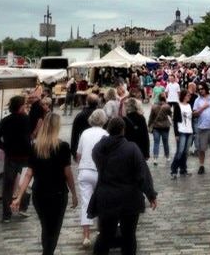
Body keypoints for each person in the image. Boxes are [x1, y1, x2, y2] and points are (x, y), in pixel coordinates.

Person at [88, 116, 158, 255]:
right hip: (129, 197)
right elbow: (142, 174)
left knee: (105, 236)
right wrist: (151, 194)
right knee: (129, 236)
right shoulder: (132, 148)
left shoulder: (98, 148)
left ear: (108, 129)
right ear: (123, 130)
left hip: (106, 196)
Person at [11, 112, 77, 255]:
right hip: (58, 193)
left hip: (39, 194)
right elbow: (68, 174)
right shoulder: (63, 147)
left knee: (46, 226)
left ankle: (47, 251)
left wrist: (19, 196)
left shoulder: (36, 147)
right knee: (54, 229)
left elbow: (29, 174)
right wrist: (74, 193)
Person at [0, 95, 32, 222]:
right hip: (26, 157)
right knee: (25, 184)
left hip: (10, 157)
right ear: (21, 106)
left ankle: (6, 215)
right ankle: (23, 207)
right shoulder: (26, 119)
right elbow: (31, 136)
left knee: (8, 187)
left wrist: (5, 147)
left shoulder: (5, 120)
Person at [75, 109, 109, 249]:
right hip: (100, 172)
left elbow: (78, 155)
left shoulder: (84, 133)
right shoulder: (106, 134)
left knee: (85, 203)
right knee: (102, 202)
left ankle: (86, 236)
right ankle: (102, 231)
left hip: (85, 171)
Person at [170, 88, 194, 178]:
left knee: (186, 152)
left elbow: (191, 118)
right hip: (181, 131)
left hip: (189, 131)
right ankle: (173, 170)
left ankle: (183, 170)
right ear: (183, 96)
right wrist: (176, 134)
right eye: (188, 95)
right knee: (180, 151)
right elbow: (175, 121)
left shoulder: (189, 105)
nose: (189, 97)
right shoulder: (177, 106)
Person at [71, 93, 100, 159]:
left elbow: (74, 134)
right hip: (98, 147)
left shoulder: (80, 115)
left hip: (84, 147)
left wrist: (74, 152)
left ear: (87, 102)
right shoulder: (101, 115)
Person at [146, 93, 172, 165]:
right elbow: (170, 114)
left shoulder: (154, 107)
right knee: (165, 142)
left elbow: (151, 117)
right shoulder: (167, 106)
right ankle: (167, 157)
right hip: (165, 126)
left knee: (156, 142)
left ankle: (155, 158)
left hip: (156, 127)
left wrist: (149, 125)